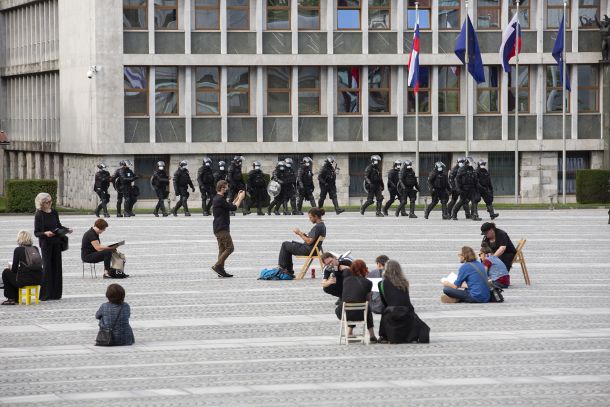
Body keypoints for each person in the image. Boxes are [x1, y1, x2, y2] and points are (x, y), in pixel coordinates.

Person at [378, 260, 430, 344]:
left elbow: (385, 302)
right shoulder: (404, 283)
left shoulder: (382, 283)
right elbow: (407, 300)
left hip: (392, 313)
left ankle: (384, 336)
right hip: (406, 313)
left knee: (385, 311)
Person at [34, 192, 72, 301]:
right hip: (46, 244)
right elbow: (37, 232)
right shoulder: (39, 214)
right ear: (42, 203)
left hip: (56, 242)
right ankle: (45, 294)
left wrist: (67, 230)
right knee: (47, 268)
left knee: (56, 267)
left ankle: (56, 294)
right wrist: (45, 233)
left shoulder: (54, 212)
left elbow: (58, 226)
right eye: (48, 202)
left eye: (51, 201)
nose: (50, 203)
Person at [335, 259, 377, 343]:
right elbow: (368, 298)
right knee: (366, 306)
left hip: (343, 313)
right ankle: (372, 335)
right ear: (364, 269)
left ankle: (349, 332)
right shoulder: (368, 282)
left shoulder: (346, 280)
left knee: (350, 304)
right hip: (360, 314)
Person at [211, 180, 246, 278]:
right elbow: (234, 208)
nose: (227, 189)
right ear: (222, 188)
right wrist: (241, 198)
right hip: (222, 228)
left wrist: (237, 197)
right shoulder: (220, 199)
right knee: (230, 248)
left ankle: (220, 270)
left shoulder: (218, 198)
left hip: (218, 228)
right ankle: (217, 266)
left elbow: (229, 206)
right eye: (226, 187)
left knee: (222, 250)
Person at [277, 208, 326, 275]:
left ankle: (283, 268)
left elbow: (309, 241)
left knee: (285, 244)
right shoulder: (322, 226)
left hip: (308, 250)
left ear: (316, 216)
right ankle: (288, 270)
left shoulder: (317, 227)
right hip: (313, 250)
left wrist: (299, 233)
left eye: (311, 217)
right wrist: (303, 234)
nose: (310, 219)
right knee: (289, 246)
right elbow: (311, 238)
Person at [2, 230, 43, 305]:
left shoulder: (18, 250)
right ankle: (15, 298)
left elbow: (14, 269)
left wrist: (10, 268)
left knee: (6, 272)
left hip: (25, 281)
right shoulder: (35, 248)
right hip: (38, 279)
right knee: (18, 275)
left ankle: (11, 298)